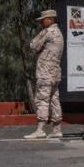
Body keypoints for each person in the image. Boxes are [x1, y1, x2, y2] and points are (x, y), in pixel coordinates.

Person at [24, 9, 63, 139]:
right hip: (55, 72)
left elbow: (33, 45)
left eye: (43, 19)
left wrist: (39, 47)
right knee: (54, 99)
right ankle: (57, 129)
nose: (41, 22)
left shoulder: (47, 32)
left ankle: (40, 129)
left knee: (42, 99)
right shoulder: (59, 33)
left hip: (45, 72)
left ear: (50, 19)